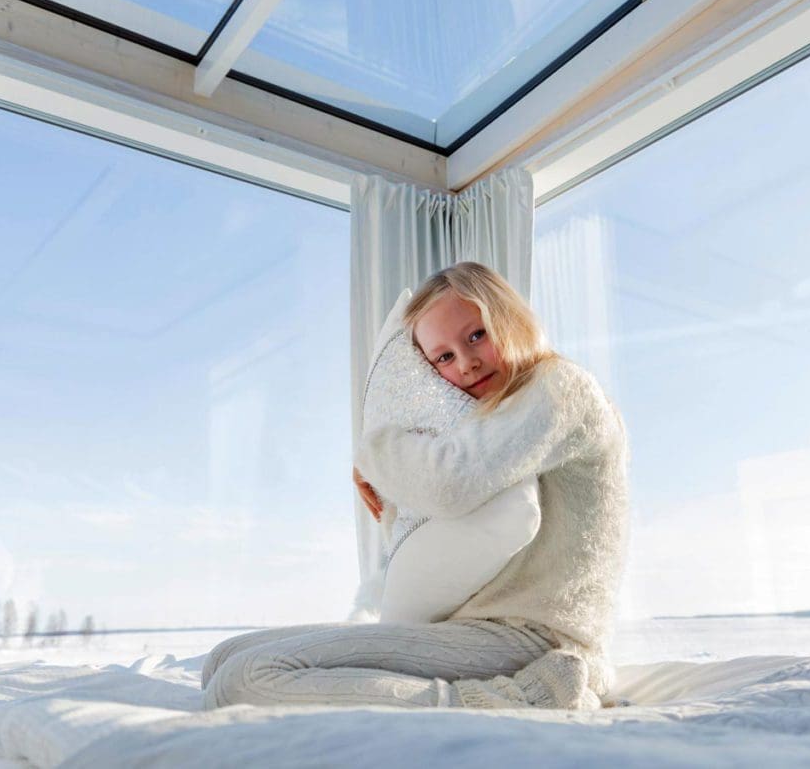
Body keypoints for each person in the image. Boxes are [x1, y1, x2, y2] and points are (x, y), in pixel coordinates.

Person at [201, 261, 629, 710]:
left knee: (246, 679)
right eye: (443, 357)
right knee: (222, 659)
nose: (466, 362)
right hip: (469, 630)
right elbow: (427, 537)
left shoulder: (558, 386)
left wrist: (373, 453)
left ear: (509, 318)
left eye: (476, 335)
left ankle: (496, 700)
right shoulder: (486, 421)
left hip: (539, 639)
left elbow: (450, 485)